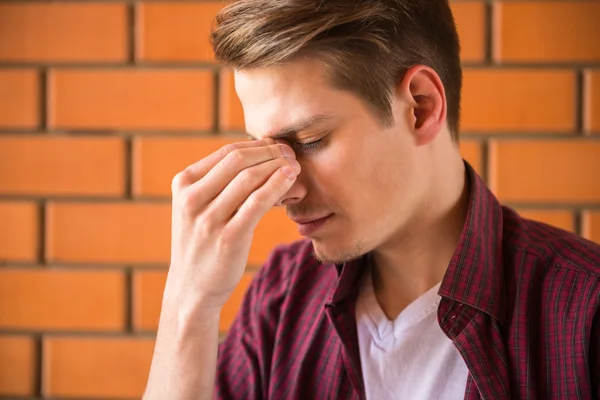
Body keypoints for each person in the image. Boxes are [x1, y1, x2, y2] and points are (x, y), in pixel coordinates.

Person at [143, 0, 600, 399]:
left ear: (421, 107)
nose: (285, 188)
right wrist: (190, 305)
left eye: (309, 138)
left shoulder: (585, 313)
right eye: (264, 149)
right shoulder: (280, 299)